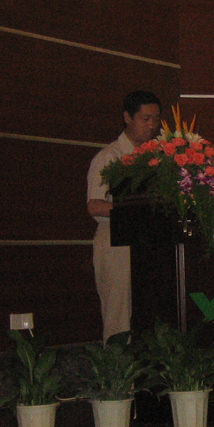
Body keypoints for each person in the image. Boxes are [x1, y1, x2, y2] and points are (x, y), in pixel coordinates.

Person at [87, 90, 162, 341]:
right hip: (116, 242)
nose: (152, 126)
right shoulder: (109, 157)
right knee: (119, 314)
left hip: (147, 242)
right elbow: (95, 206)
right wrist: (136, 208)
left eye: (156, 119)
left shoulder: (157, 158)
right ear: (127, 117)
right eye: (145, 119)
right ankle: (118, 366)